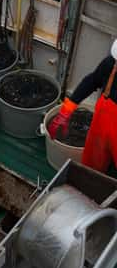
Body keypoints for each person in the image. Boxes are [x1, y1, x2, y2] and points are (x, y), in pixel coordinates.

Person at [48, 39, 117, 173]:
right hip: (100, 132)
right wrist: (65, 111)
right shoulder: (110, 64)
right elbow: (91, 82)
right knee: (91, 170)